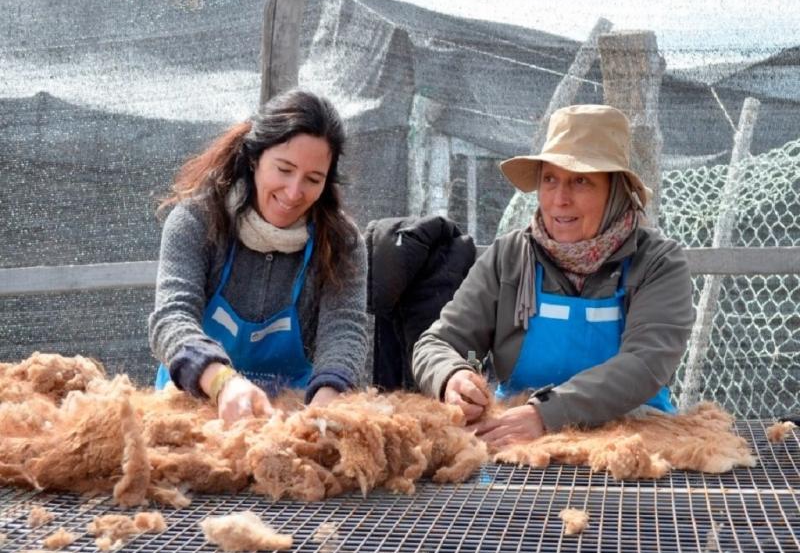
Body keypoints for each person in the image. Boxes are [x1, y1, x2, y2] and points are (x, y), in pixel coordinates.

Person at [412, 104, 694, 448]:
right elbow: (438, 343)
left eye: (580, 181)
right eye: (549, 179)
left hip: (636, 441)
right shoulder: (510, 257)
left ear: (616, 191)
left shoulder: (657, 262)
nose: (559, 199)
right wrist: (451, 376)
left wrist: (547, 414)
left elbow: (645, 363)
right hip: (515, 440)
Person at [149, 89, 368, 424]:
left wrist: (323, 411)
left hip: (292, 415)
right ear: (255, 158)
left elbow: (344, 331)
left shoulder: (341, 242)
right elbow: (172, 318)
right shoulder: (196, 220)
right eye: (284, 169)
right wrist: (223, 383)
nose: (294, 193)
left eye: (313, 179)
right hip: (192, 412)